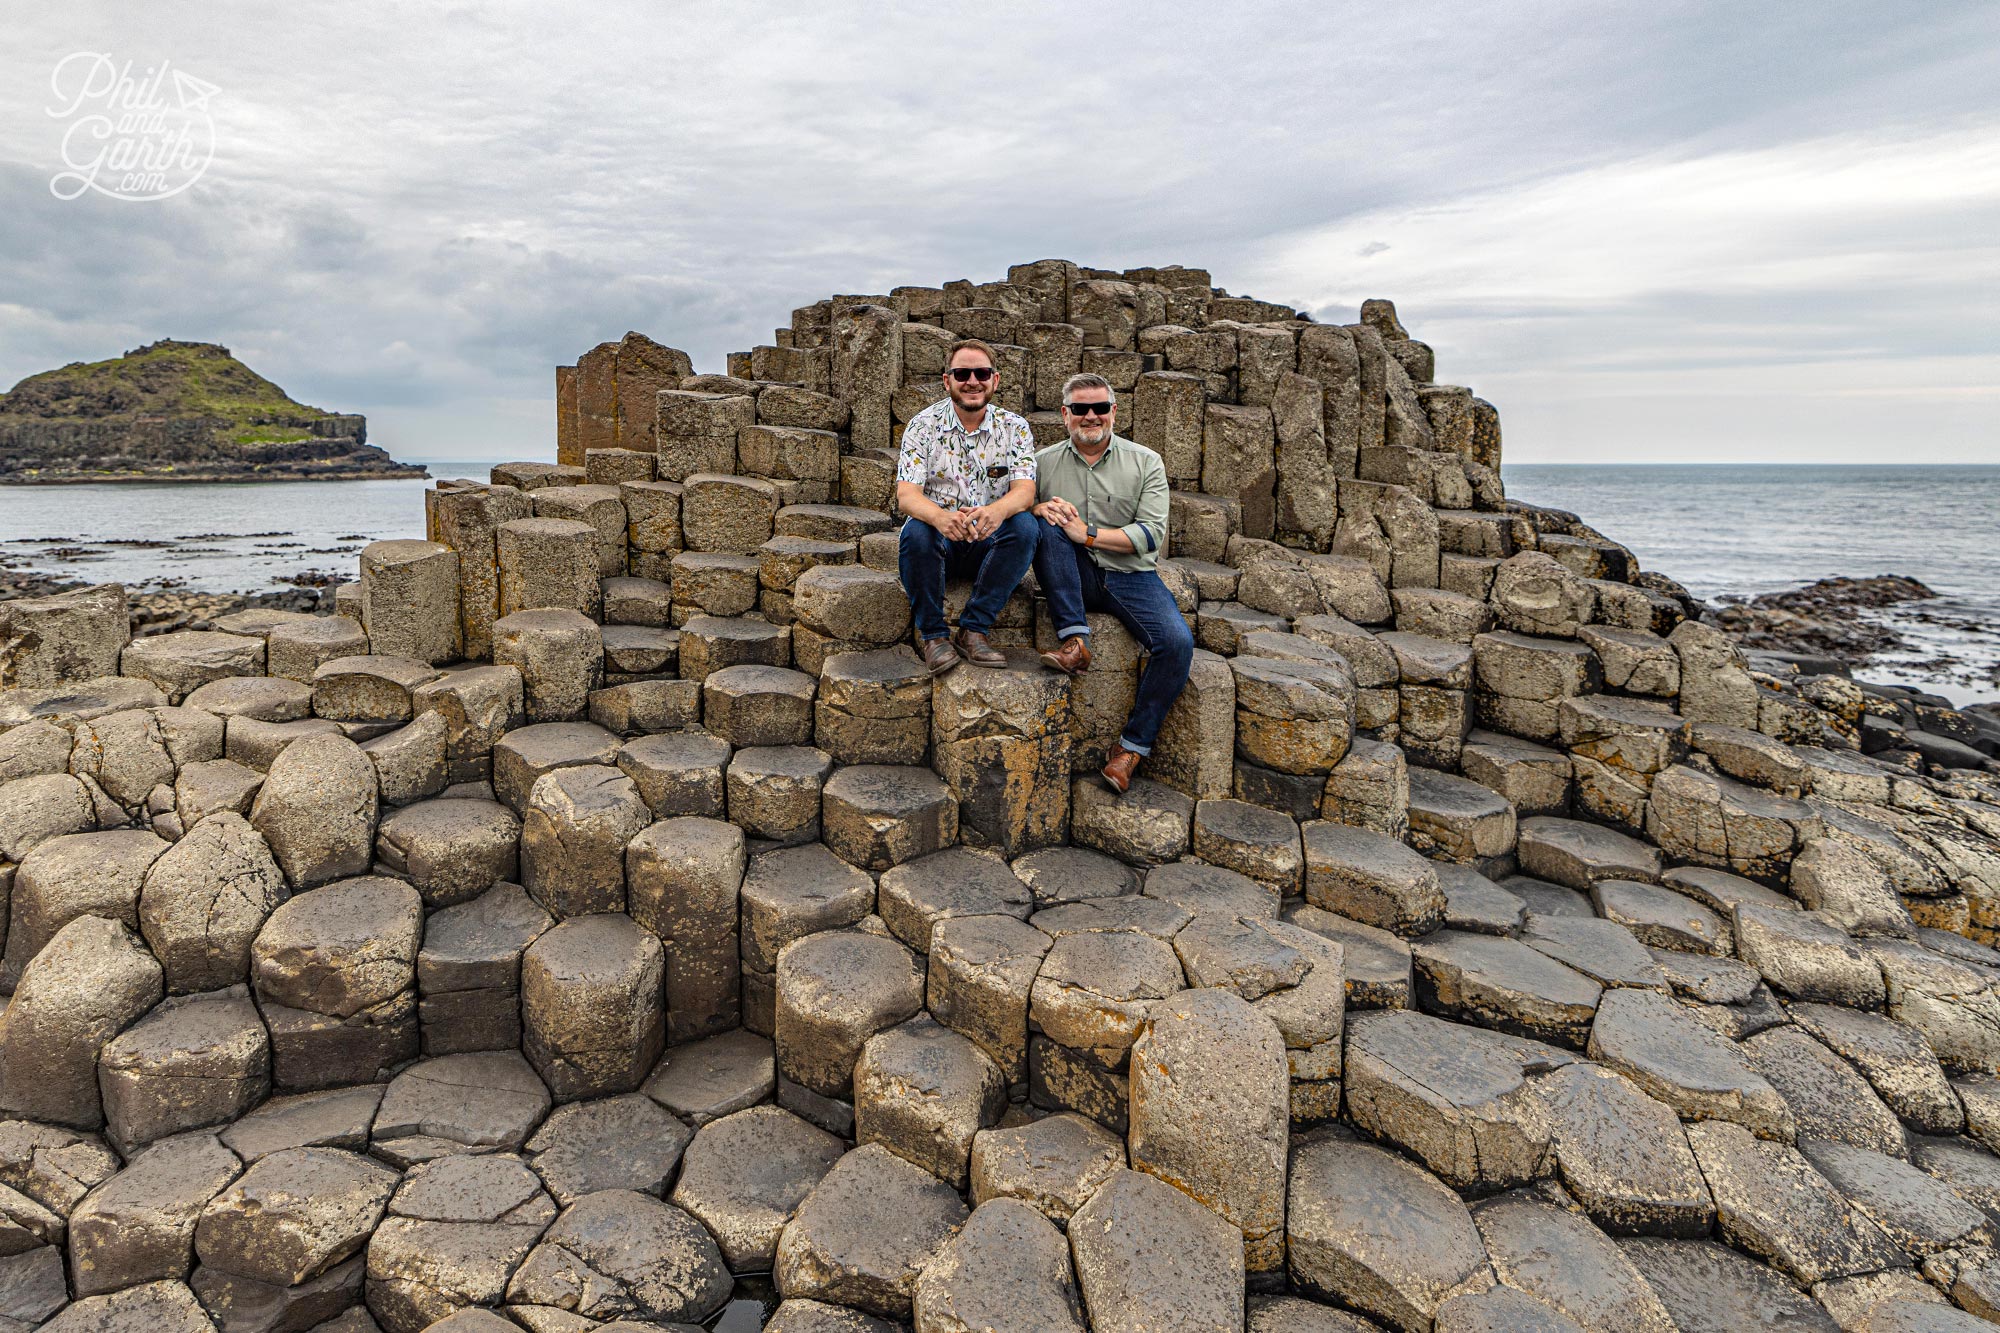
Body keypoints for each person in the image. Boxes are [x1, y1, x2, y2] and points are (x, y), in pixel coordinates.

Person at [1032, 372, 1194, 793]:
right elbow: (1017, 502)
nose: (1091, 416)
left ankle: (1130, 750)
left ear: (1113, 412)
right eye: (1080, 409)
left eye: (1100, 408)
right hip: (1074, 576)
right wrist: (1037, 508)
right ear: (1065, 415)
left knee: (1176, 643)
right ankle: (1075, 641)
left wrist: (1086, 534)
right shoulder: (1042, 461)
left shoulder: (1146, 461)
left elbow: (1150, 535)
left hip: (1133, 577)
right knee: (1046, 526)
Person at [895, 338, 1041, 675]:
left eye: (981, 373)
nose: (972, 381)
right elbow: (907, 495)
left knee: (1026, 527)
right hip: (940, 541)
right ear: (947, 381)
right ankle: (933, 636)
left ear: (995, 380)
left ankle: (973, 630)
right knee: (916, 531)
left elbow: (1024, 491)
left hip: (988, 542)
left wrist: (996, 512)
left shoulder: (1015, 428)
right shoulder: (922, 425)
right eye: (962, 373)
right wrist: (941, 518)